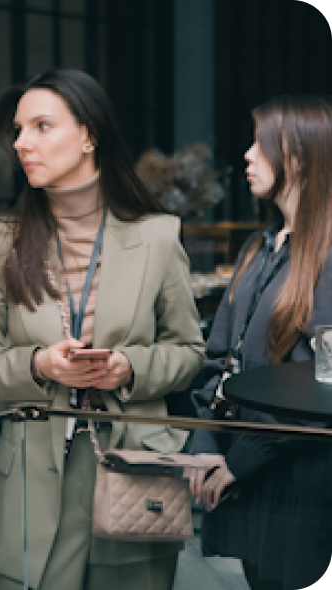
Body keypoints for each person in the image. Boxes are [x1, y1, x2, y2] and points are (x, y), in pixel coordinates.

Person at [0, 69, 205, 590]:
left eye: (42, 126)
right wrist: (39, 365)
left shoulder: (157, 237)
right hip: (34, 476)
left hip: (135, 469)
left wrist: (129, 368)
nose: (22, 143)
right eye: (18, 130)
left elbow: (188, 351)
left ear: (89, 135)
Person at [186, 95, 332, 590]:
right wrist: (206, 445)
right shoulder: (258, 247)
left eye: (260, 143)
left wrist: (239, 459)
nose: (247, 155)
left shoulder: (328, 255)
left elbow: (324, 388)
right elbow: (217, 360)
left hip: (307, 490)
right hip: (254, 482)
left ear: (300, 156)